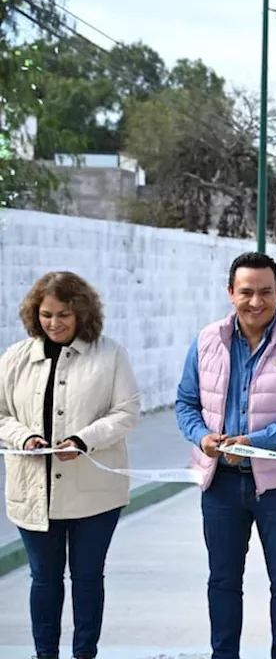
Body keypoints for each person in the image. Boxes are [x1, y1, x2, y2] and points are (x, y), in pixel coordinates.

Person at [175, 251, 276, 659]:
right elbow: (186, 403)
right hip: (220, 484)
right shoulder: (207, 341)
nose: (255, 302)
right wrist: (203, 436)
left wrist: (256, 442)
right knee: (223, 580)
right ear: (230, 293)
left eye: (265, 292)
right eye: (246, 292)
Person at [0, 271, 140, 659]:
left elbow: (127, 412)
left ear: (82, 313)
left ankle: (84, 653)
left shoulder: (110, 354)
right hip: (33, 492)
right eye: (46, 314)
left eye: (64, 314)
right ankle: (45, 653)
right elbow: (0, 414)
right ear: (34, 313)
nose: (55, 323)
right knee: (44, 580)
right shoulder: (15, 358)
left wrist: (83, 441)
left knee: (88, 578)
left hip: (95, 494)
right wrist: (23, 437)